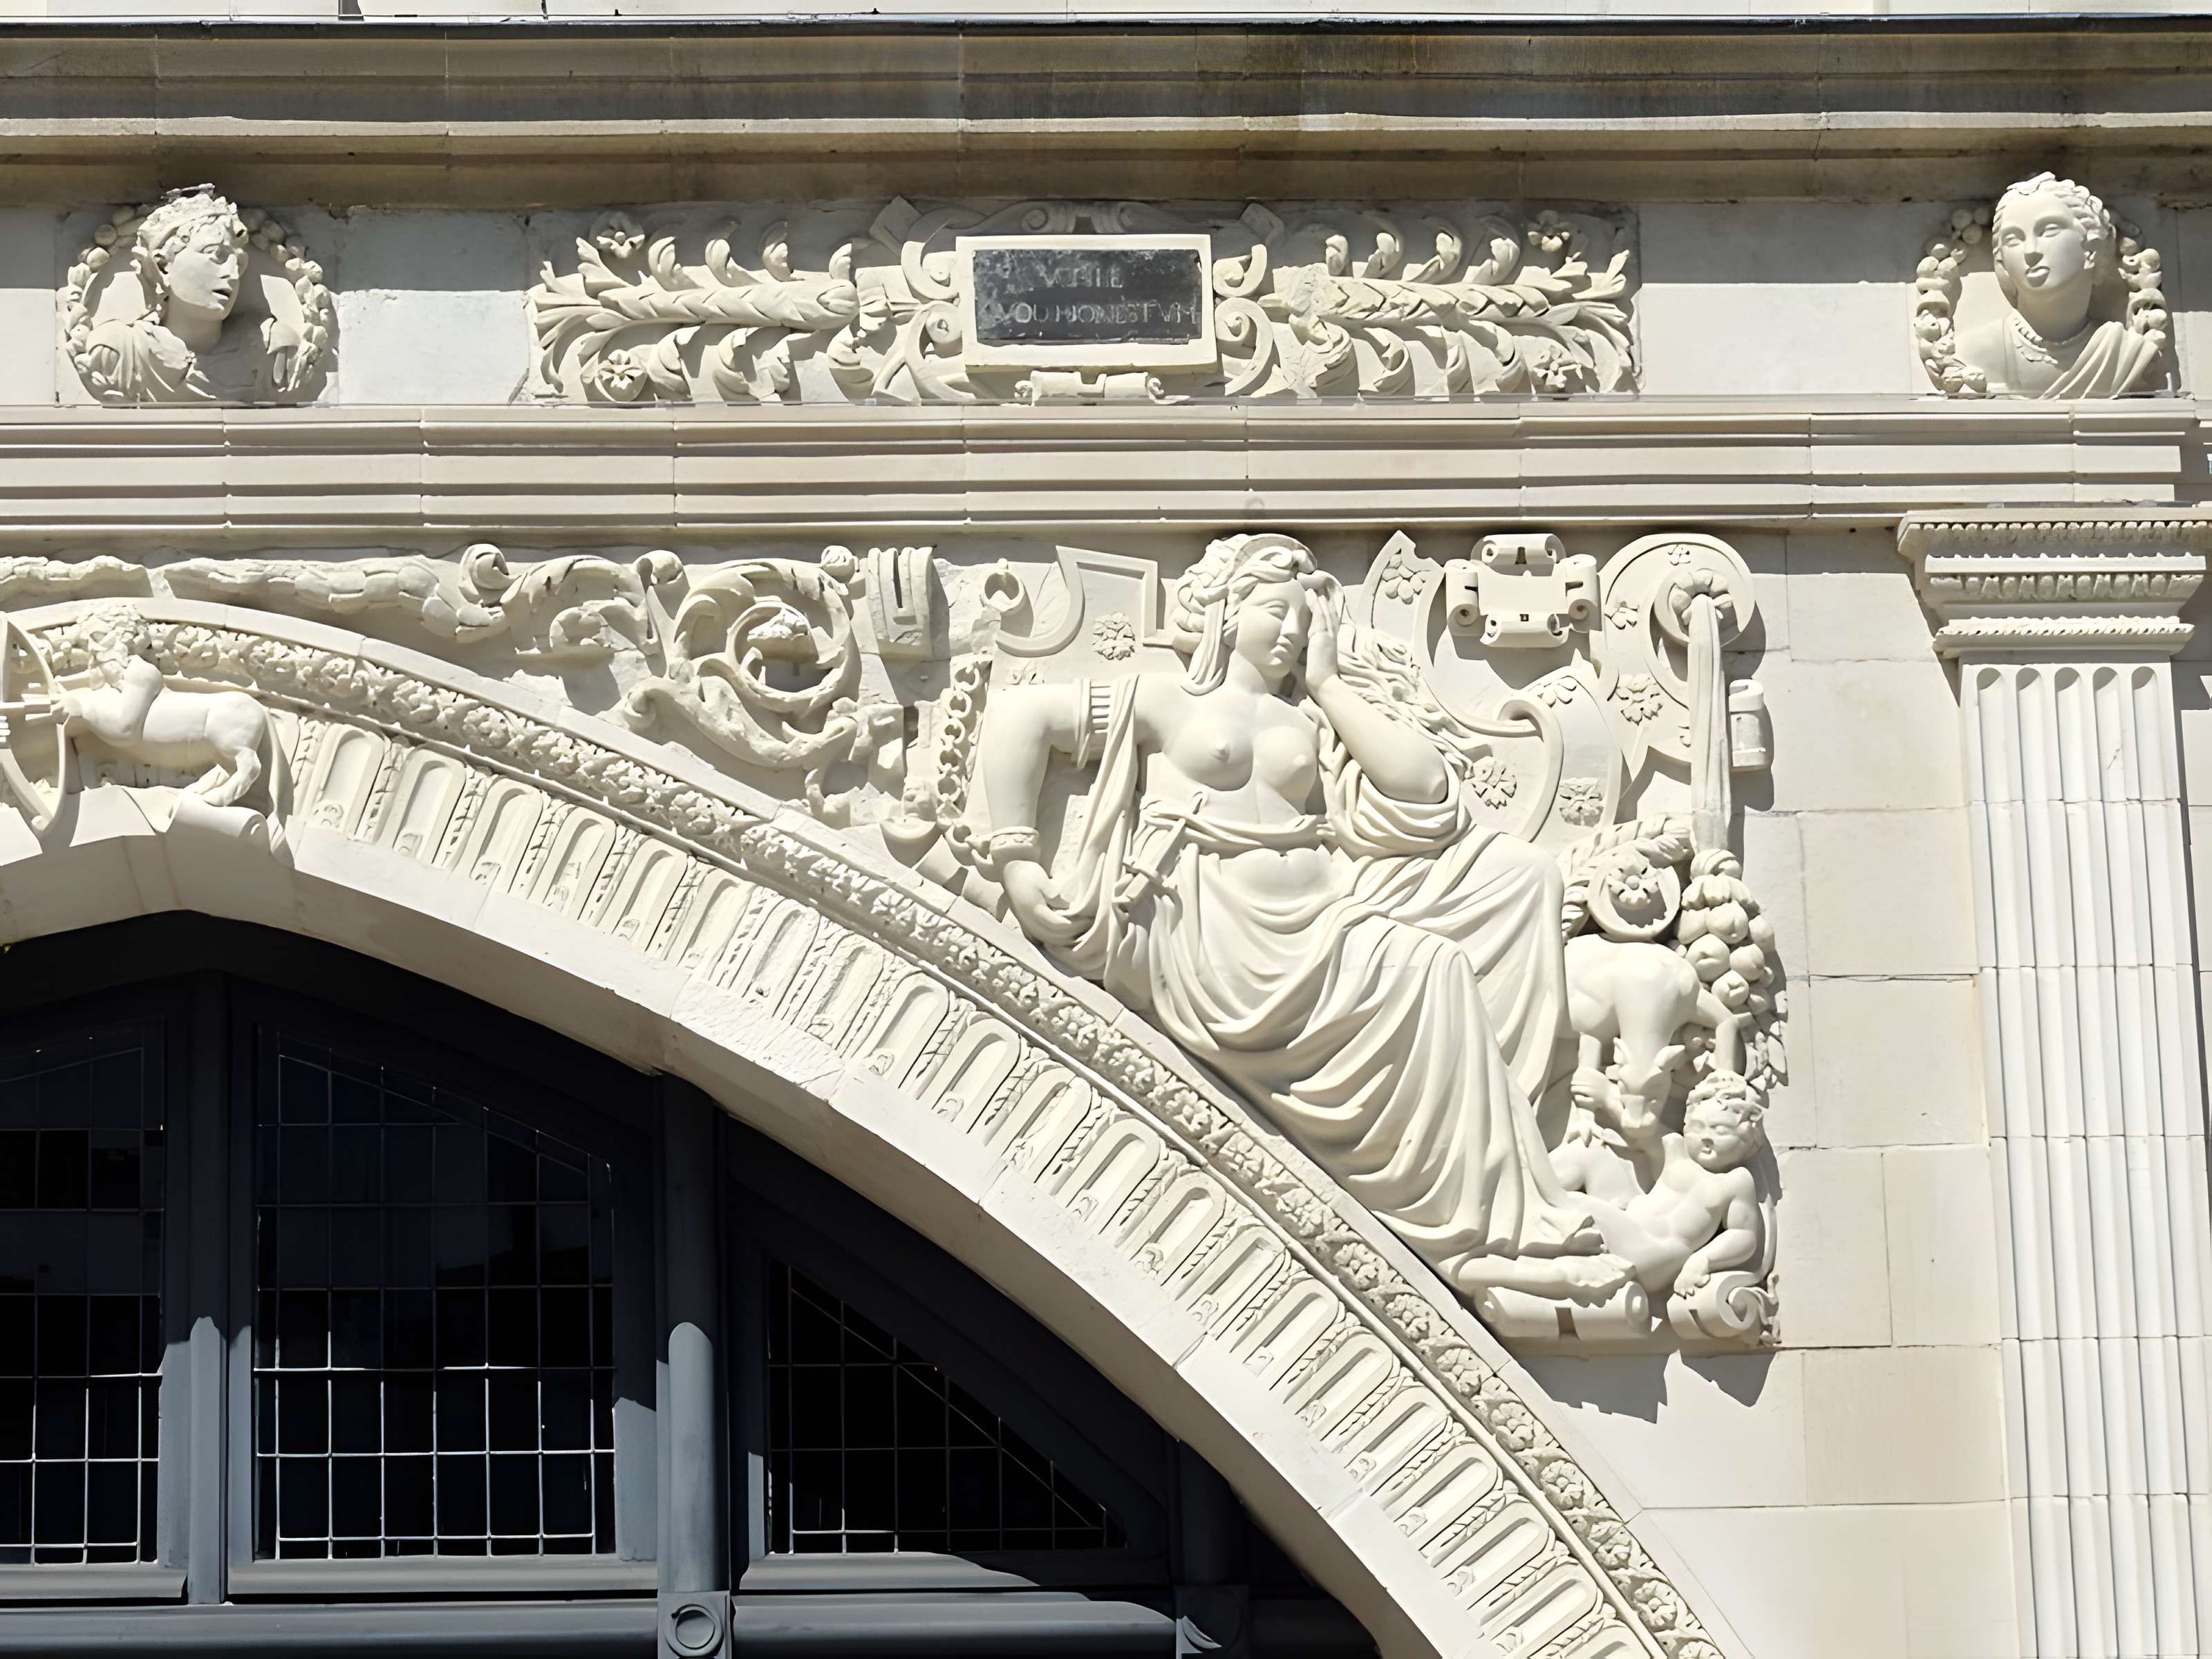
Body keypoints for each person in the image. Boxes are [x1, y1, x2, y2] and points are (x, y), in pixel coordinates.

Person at [977, 532, 1613, 1293]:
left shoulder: (1309, 720)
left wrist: (1330, 682)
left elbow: (1424, 795)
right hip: (1215, 928)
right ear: (1221, 608)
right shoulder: (1164, 698)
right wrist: (1016, 857)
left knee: (1521, 874)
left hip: (1323, 911)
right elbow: (1019, 716)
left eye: (1301, 622)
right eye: (1272, 611)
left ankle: (1486, 1206)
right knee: (1432, 968)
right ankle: (1488, 1215)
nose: (1287, 631)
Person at [1955, 172, 2162, 399]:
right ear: (2002, 261)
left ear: (2091, 250)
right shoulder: (1974, 353)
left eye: (2049, 230)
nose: (2031, 251)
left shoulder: (2124, 352)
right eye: (2013, 239)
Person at [82, 186, 298, 402]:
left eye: (239, 263)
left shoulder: (272, 350)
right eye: (214, 255)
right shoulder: (118, 352)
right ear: (163, 266)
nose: (233, 274)